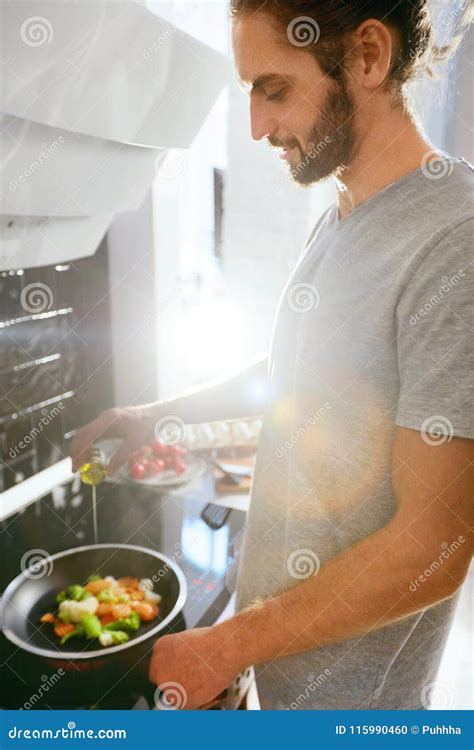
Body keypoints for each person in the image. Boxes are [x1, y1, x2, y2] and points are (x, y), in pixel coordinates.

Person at [71, 0, 473, 710]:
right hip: (283, 670)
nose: (256, 127)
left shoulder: (455, 239)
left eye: (274, 89)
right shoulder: (347, 208)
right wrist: (157, 415)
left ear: (368, 56)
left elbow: (434, 545)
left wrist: (224, 646)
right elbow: (298, 373)